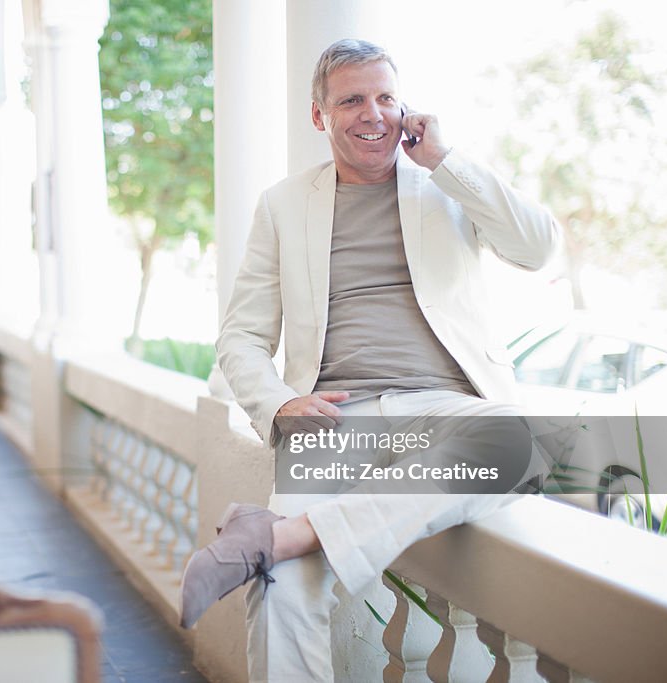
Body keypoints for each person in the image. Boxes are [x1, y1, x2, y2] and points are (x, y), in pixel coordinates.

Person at [178, 38, 560, 681]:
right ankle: (283, 548)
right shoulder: (283, 204)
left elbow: (537, 248)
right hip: (333, 417)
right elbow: (241, 336)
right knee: (283, 591)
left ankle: (279, 534)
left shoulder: (446, 188)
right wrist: (278, 404)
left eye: (385, 97)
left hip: (446, 405)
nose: (373, 113)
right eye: (352, 99)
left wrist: (444, 158)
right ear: (319, 115)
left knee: (512, 442)